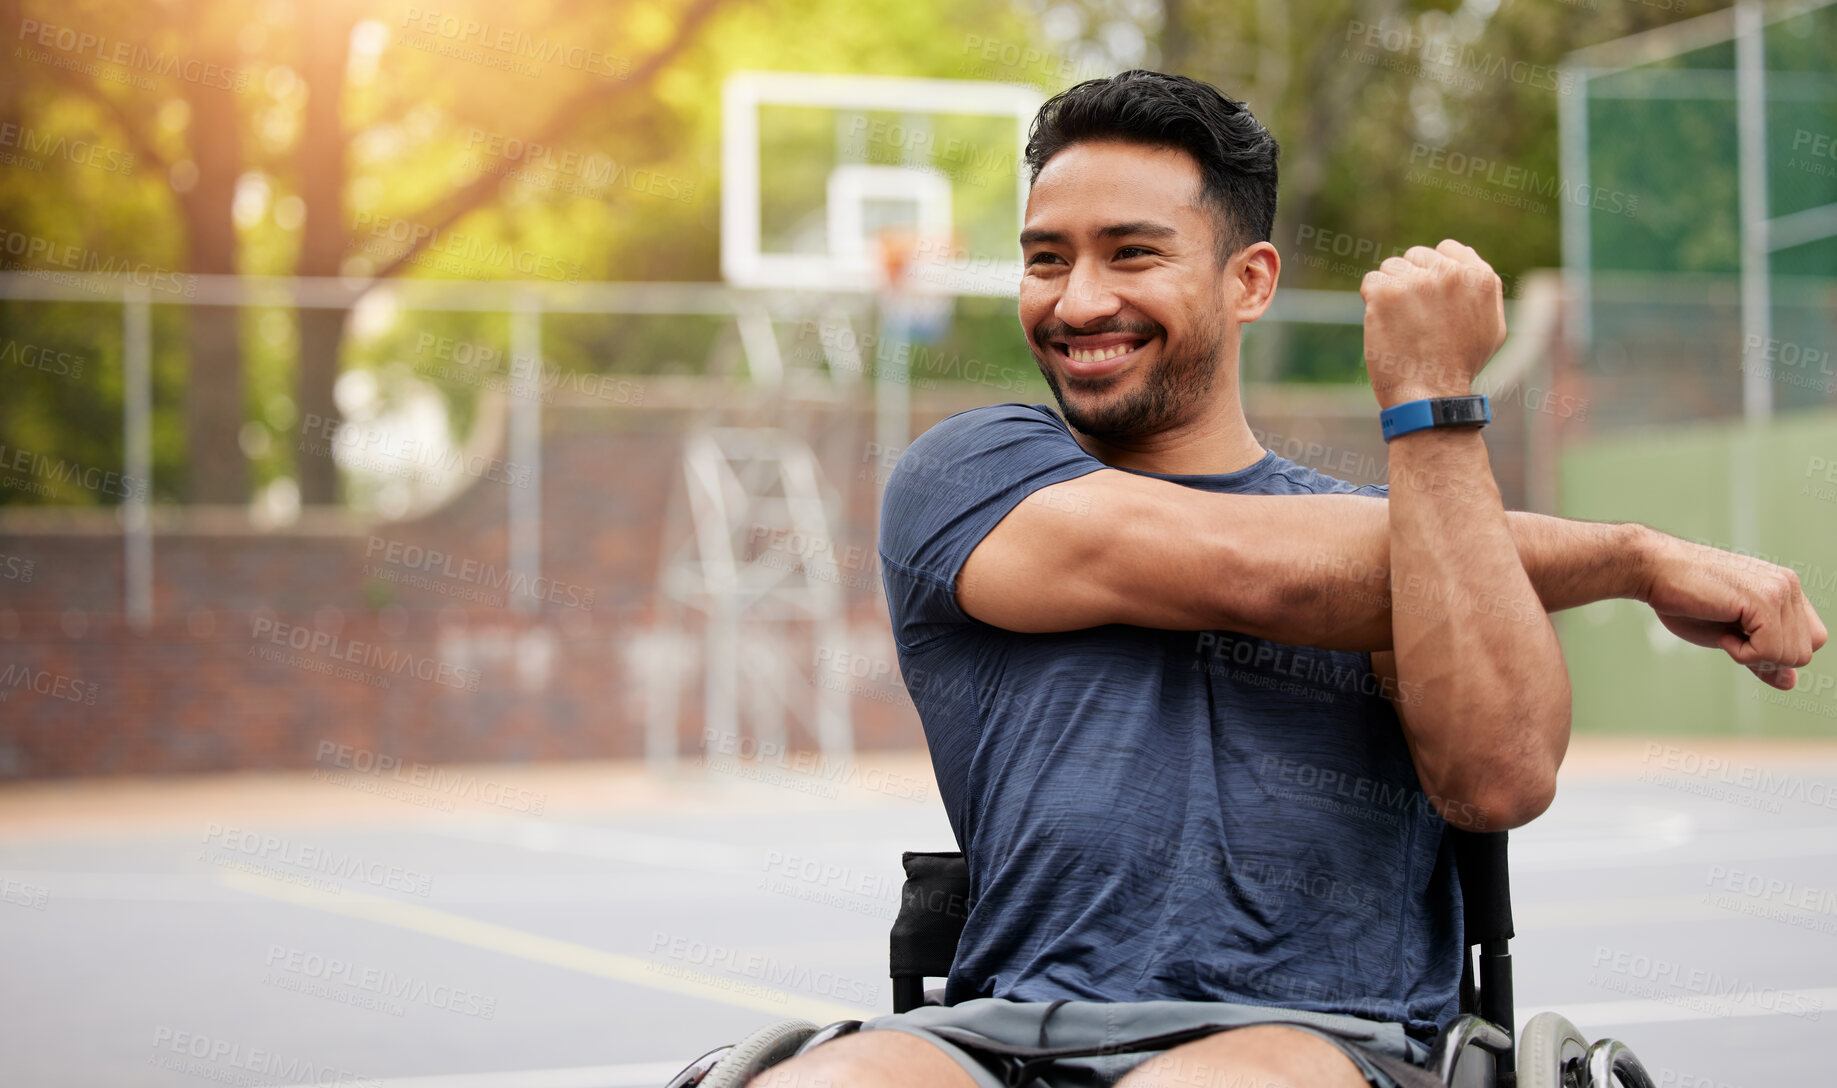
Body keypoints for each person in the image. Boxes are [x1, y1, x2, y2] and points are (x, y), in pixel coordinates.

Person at [755, 70, 1825, 1088]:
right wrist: (1631, 557)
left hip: (1319, 1039)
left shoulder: (1404, 530)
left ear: (1249, 280)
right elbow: (1252, 570)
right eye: (1045, 258)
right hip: (996, 1032)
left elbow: (1498, 780)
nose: (1078, 300)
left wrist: (1431, 402)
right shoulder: (968, 473)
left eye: (1132, 254)